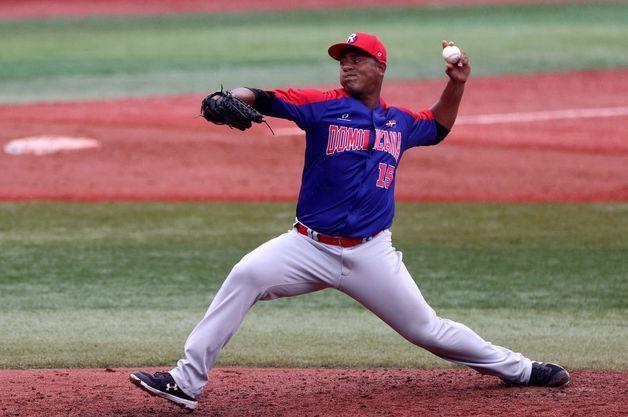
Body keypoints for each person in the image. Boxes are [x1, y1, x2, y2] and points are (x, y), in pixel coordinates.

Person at [130, 32, 570, 411]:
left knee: (427, 330)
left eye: (357, 59)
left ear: (380, 67)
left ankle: (521, 369)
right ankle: (185, 381)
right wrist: (228, 98)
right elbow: (264, 97)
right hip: (307, 246)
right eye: (343, 60)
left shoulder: (399, 122)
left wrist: (456, 84)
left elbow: (437, 126)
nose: (347, 66)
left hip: (371, 253)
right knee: (245, 276)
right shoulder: (322, 106)